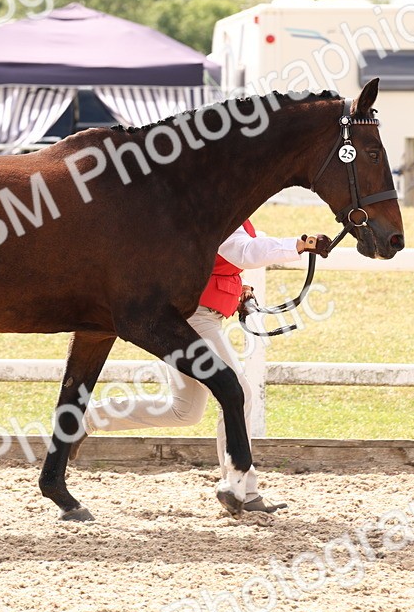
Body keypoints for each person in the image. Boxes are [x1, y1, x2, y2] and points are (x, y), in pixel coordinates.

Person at [79, 219, 331, 514]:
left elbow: (230, 255)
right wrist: (299, 245)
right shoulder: (217, 210)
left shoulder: (236, 213)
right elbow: (243, 251)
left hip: (196, 317)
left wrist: (238, 289)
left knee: (185, 410)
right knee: (239, 395)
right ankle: (242, 489)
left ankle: (87, 419)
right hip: (195, 320)